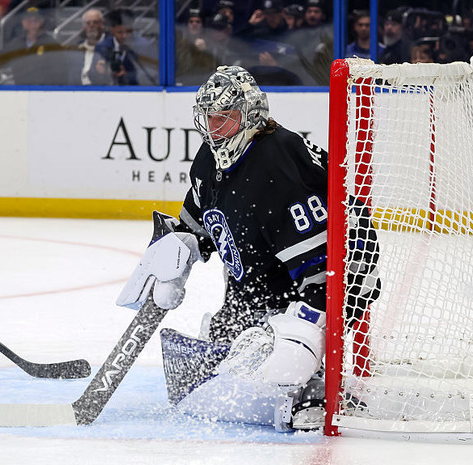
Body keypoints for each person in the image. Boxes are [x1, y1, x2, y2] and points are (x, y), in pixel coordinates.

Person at [116, 65, 379, 430]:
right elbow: (199, 222)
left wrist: (304, 330)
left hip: (340, 274)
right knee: (225, 361)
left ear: (251, 114)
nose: (214, 129)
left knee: (288, 361)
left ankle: (314, 384)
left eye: (225, 118)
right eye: (208, 119)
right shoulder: (210, 159)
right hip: (257, 281)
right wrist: (179, 247)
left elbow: (326, 268)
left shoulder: (279, 164)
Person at [69, 7, 105, 85]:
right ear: (84, 27)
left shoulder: (111, 47)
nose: (91, 26)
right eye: (88, 23)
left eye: (95, 22)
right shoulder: (76, 50)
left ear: (102, 24)